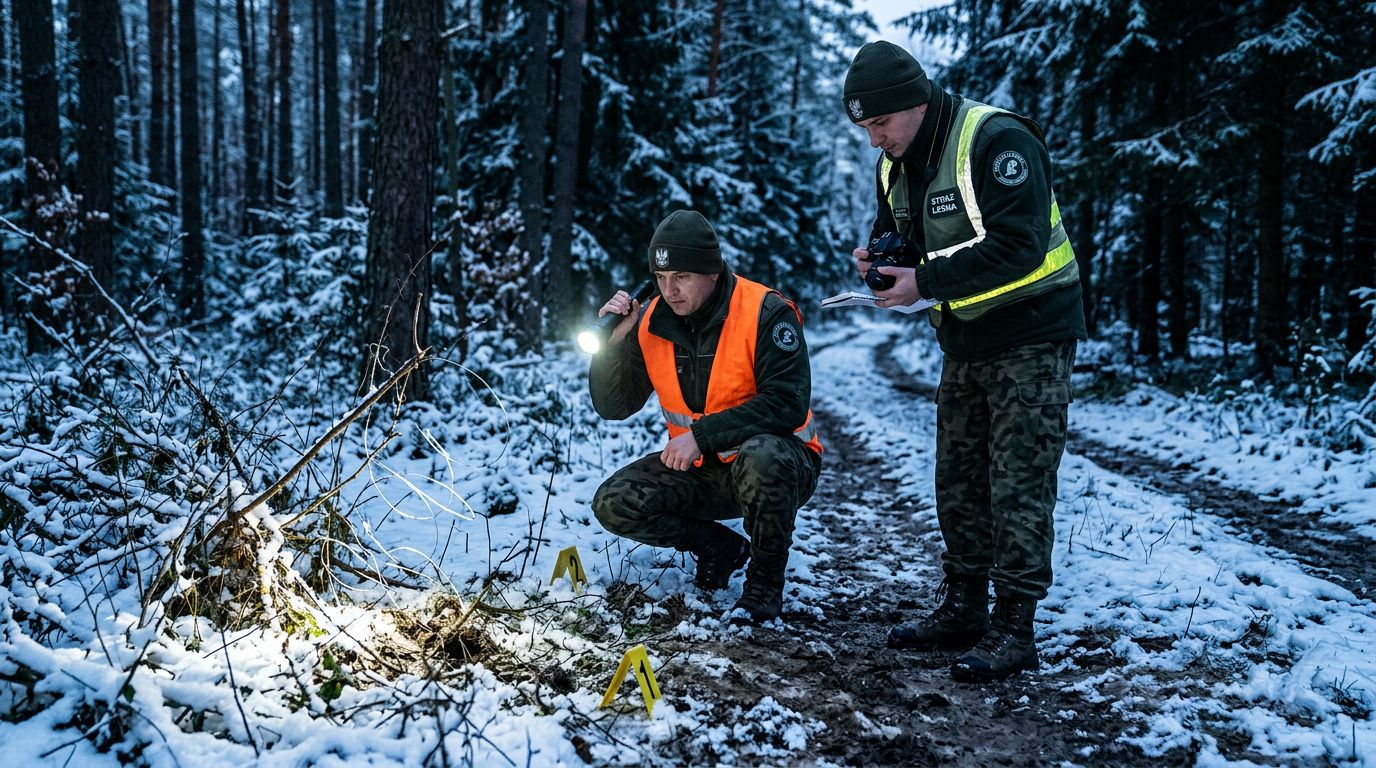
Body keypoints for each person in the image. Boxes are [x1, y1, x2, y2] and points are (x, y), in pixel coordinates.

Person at [841, 41, 1086, 682]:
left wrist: (923, 282)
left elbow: (1020, 245)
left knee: (1018, 482)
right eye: (864, 128)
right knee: (958, 479)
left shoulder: (997, 140)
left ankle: (1015, 627)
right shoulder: (895, 163)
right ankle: (964, 607)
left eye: (880, 123)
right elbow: (904, 235)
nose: (874, 140)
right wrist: (882, 261)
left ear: (916, 103)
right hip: (965, 338)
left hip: (1033, 332)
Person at [588, 209, 823, 625]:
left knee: (764, 456)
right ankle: (719, 547)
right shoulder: (650, 322)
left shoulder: (765, 311)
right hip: (703, 472)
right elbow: (614, 406)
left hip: (779, 468)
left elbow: (787, 402)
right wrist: (614, 344)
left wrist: (701, 436)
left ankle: (763, 587)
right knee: (614, 502)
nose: (669, 290)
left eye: (681, 276)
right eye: (661, 277)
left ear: (712, 272)